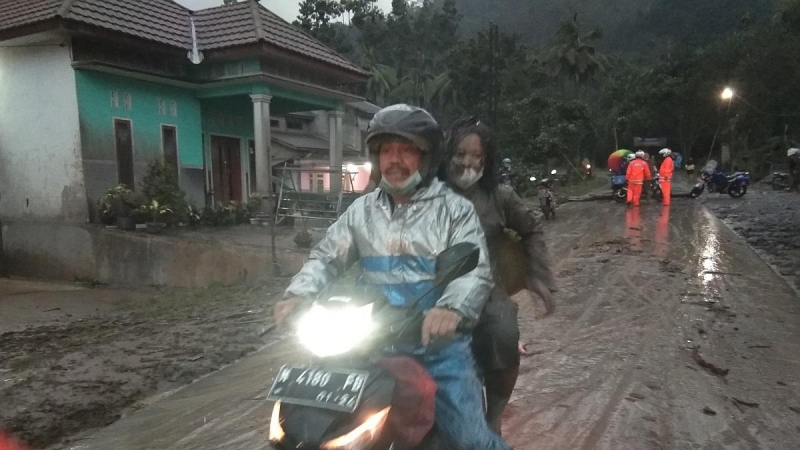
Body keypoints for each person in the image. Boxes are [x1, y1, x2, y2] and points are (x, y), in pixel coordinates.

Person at [273, 104, 510, 450]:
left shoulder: (454, 210)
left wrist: (451, 309)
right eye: (386, 150)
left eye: (406, 150)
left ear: (426, 158)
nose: (394, 160)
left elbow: (473, 271)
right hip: (369, 343)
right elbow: (326, 256)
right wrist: (298, 294)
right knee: (306, 421)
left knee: (470, 439)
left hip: (437, 347)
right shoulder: (362, 211)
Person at [440, 117, 556, 435]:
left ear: (487, 160)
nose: (468, 162)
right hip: (430, 290)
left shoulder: (500, 197)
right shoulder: (427, 195)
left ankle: (494, 416)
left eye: (477, 156)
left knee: (504, 333)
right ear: (447, 154)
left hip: (486, 289)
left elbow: (532, 229)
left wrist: (537, 276)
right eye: (461, 153)